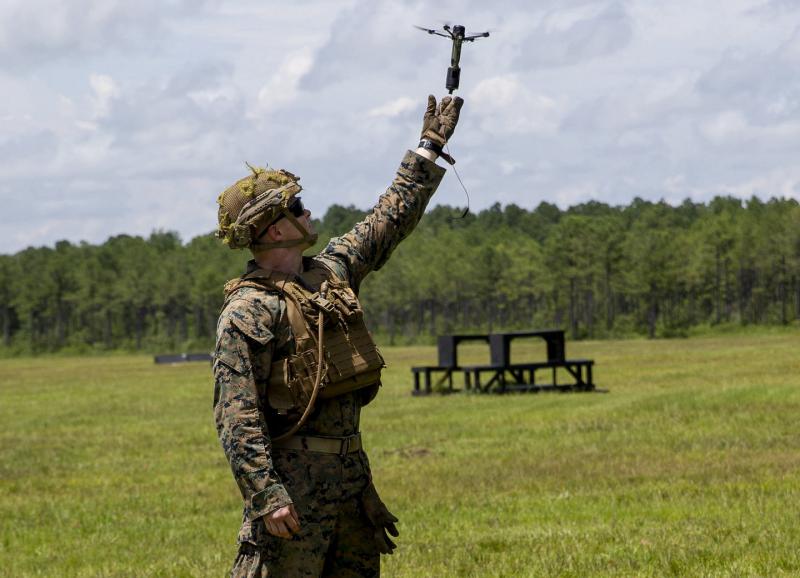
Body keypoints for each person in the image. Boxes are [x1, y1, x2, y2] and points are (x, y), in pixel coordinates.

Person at [212, 94, 464, 577]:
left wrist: (429, 147)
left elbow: (387, 220)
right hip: (294, 493)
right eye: (296, 207)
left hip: (351, 483)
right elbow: (236, 415)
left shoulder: (331, 272)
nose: (308, 213)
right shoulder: (248, 313)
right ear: (271, 231)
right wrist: (266, 495)